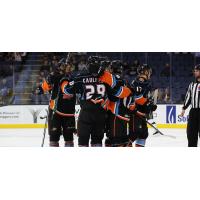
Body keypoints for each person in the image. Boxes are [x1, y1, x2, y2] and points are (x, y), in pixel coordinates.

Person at [63, 56, 132, 147]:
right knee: (97, 142)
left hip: (86, 114)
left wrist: (65, 81)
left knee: (83, 142)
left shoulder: (80, 77)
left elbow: (67, 90)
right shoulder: (107, 77)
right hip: (101, 114)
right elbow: (118, 92)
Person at [36, 58, 76, 147]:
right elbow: (40, 90)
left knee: (69, 140)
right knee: (54, 139)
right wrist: (47, 82)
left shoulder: (74, 78)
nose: (68, 68)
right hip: (55, 112)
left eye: (70, 66)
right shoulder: (54, 77)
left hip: (69, 113)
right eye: (65, 66)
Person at [128, 64, 157, 147]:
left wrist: (151, 104)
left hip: (142, 114)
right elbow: (137, 98)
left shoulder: (146, 83)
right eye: (149, 72)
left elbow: (145, 98)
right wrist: (149, 105)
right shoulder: (138, 83)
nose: (150, 74)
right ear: (146, 72)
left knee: (143, 135)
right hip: (136, 114)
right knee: (134, 134)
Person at [179, 64, 200, 147]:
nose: (195, 72)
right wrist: (184, 109)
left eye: (197, 71)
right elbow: (188, 97)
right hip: (193, 112)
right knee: (191, 134)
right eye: (194, 71)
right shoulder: (192, 84)